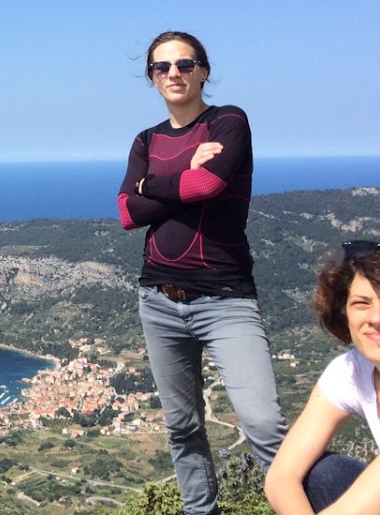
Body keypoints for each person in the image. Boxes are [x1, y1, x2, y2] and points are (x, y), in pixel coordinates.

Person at [116, 31, 287, 514]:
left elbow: (206, 185)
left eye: (184, 64)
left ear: (204, 71)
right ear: (151, 77)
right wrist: (178, 178)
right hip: (157, 298)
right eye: (161, 67)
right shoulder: (145, 140)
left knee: (263, 424)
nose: (173, 73)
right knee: (182, 427)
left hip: (225, 298)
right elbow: (127, 213)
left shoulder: (228, 121)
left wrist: (151, 185)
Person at [264, 241, 380, 514]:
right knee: (323, 472)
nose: (377, 318)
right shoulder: (351, 371)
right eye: (361, 303)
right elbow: (281, 478)